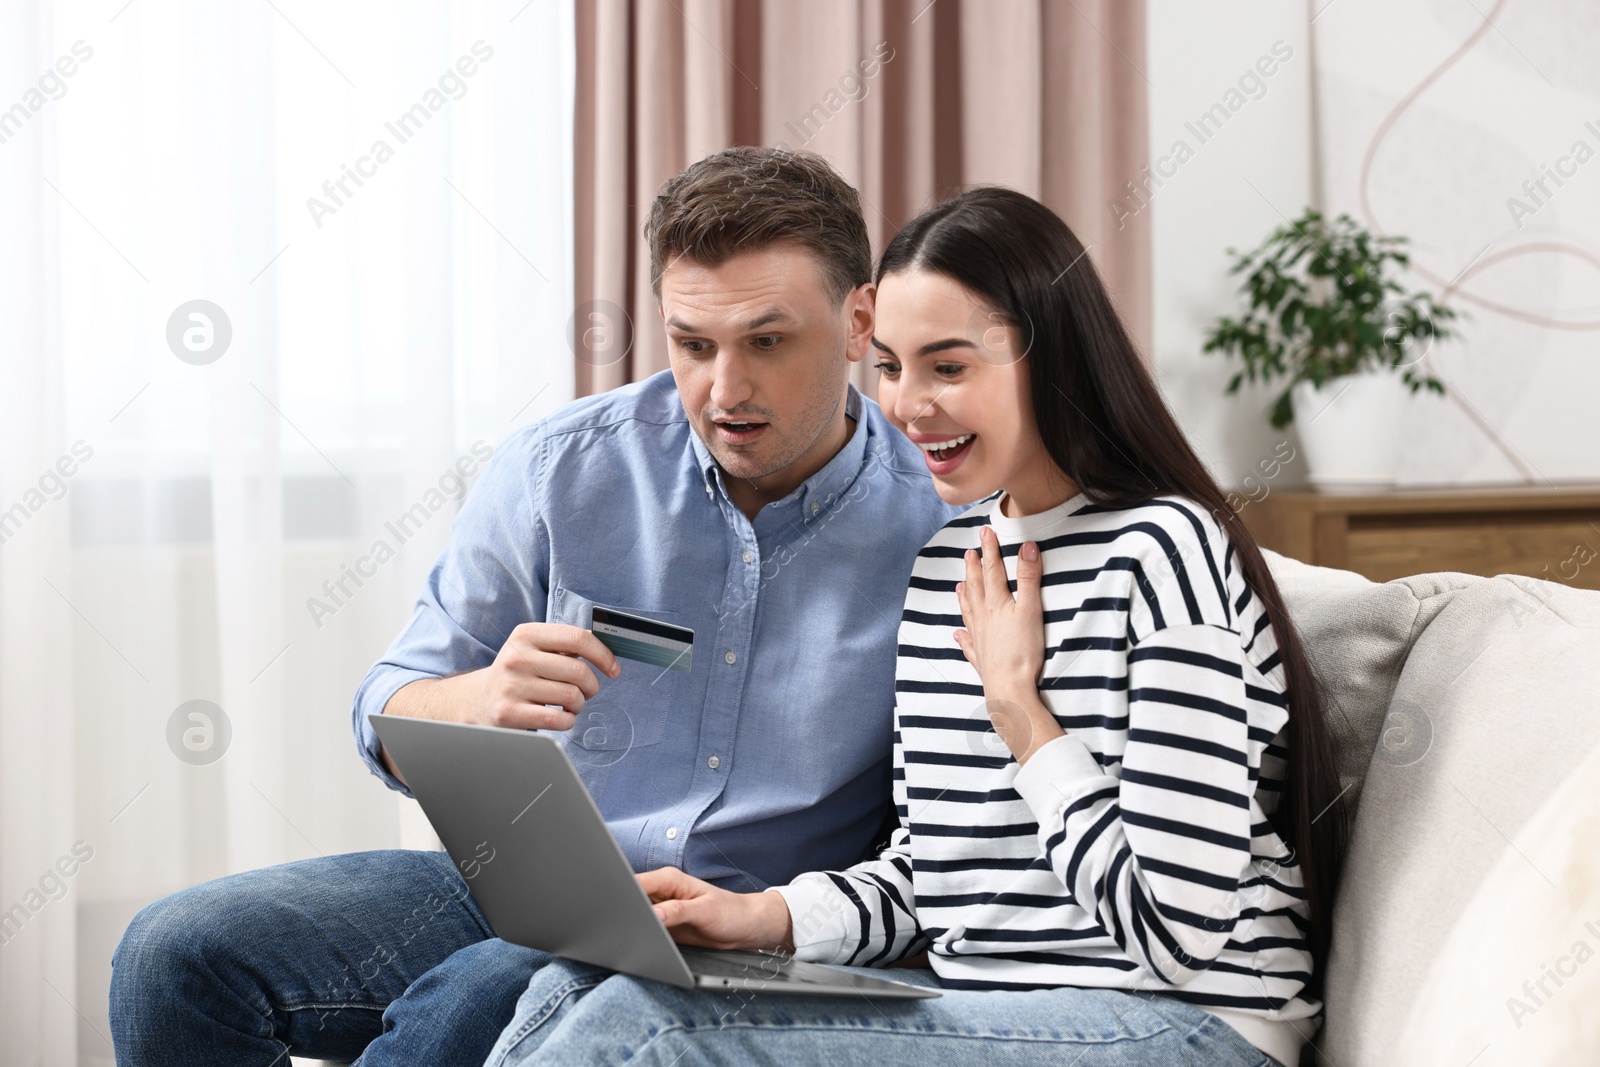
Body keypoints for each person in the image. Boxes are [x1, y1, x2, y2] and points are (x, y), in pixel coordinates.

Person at [106, 146, 965, 1066]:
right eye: (692, 343)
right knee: (173, 956)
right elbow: (386, 703)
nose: (724, 390)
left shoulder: (944, 522)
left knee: (480, 997)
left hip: (751, 934)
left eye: (766, 341)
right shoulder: (565, 470)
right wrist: (474, 700)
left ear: (857, 322)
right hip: (529, 892)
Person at [482, 187, 1350, 1067]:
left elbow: (1179, 930)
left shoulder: (1166, 550)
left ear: (1050, 361)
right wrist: (763, 917)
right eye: (891, 367)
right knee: (595, 981)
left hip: (1186, 1022)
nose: (906, 406)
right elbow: (939, 874)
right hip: (989, 1006)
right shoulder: (946, 565)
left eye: (950, 366)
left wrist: (1022, 714)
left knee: (656, 1032)